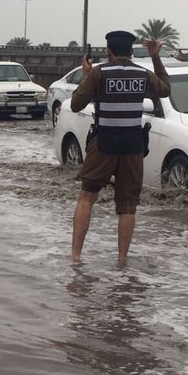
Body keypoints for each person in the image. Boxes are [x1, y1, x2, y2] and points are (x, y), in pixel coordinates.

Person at [69, 30, 172, 263]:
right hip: (133, 146)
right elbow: (165, 89)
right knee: (128, 206)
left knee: (87, 197)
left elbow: (76, 105)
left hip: (103, 144)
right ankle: (122, 260)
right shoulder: (142, 73)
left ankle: (75, 256)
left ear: (109, 51)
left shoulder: (99, 73)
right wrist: (155, 57)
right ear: (131, 51)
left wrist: (87, 77)